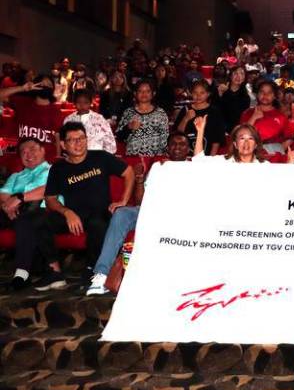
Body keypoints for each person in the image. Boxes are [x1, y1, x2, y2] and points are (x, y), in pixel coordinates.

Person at [86, 133, 191, 295]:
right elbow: (141, 201)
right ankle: (101, 274)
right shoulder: (159, 168)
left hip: (179, 214)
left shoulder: (196, 167)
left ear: (188, 149)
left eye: (182, 144)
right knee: (122, 213)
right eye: (173, 144)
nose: (177, 147)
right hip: (152, 210)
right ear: (167, 148)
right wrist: (140, 180)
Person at [35, 122, 134, 291]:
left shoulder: (101, 157)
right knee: (39, 220)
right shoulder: (59, 168)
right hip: (74, 216)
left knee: (98, 224)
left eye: (81, 138)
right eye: (72, 140)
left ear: (87, 140)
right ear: (63, 145)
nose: (78, 143)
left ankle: (92, 270)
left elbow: (129, 172)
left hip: (101, 213)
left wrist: (123, 200)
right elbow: (50, 198)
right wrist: (66, 212)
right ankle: (54, 272)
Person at [0, 138, 54, 290]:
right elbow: (3, 195)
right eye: (23, 152)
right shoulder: (16, 176)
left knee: (26, 220)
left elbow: (48, 190)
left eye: (32, 149)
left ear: (43, 150)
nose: (27, 154)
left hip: (43, 211)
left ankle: (21, 274)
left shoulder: (53, 170)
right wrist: (7, 206)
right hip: (13, 212)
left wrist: (18, 199)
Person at [116, 80, 169, 156]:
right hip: (133, 157)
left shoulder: (160, 113)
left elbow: (165, 137)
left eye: (147, 91)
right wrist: (129, 127)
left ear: (153, 93)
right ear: (135, 94)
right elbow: (119, 137)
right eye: (140, 91)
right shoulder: (128, 112)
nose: (144, 94)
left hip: (155, 158)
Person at [240, 80, 294, 155]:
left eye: (269, 92)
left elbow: (289, 139)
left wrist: (276, 150)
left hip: (273, 156)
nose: (265, 95)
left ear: (274, 96)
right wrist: (253, 117)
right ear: (257, 94)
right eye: (262, 92)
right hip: (249, 152)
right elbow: (240, 135)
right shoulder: (247, 113)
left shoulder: (281, 116)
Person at [175, 80, 226, 155]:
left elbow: (217, 139)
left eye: (202, 93)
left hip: (207, 155)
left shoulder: (215, 112)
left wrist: (211, 158)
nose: (198, 96)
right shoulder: (186, 110)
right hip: (186, 155)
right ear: (191, 93)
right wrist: (185, 119)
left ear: (208, 94)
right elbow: (178, 134)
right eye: (195, 92)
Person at [194, 115, 268, 164]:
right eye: (242, 138)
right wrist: (200, 131)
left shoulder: (265, 166)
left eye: (250, 138)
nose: (246, 143)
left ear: (256, 145)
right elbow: (199, 161)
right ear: (235, 144)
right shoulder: (224, 161)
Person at [217, 66, 252, 131]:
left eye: (242, 73)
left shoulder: (245, 97)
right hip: (219, 128)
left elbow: (237, 115)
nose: (238, 76)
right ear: (230, 76)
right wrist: (219, 95)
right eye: (235, 73)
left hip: (236, 130)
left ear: (244, 78)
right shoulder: (221, 90)